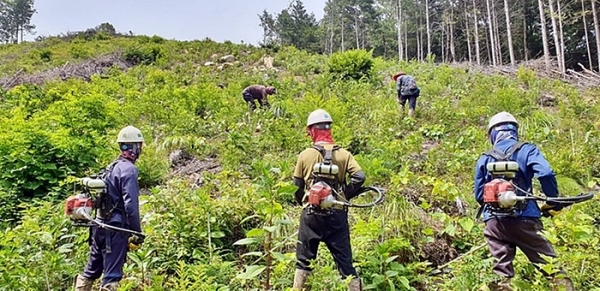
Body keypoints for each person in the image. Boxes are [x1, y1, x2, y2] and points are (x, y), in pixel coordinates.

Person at [473, 112, 574, 291]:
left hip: (495, 224)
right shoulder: (527, 150)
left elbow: (480, 196)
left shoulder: (484, 158)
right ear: (514, 131)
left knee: (501, 275)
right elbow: (546, 173)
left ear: (492, 134)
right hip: (526, 219)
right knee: (551, 268)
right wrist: (553, 202)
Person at [292, 109, 366, 291]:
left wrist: (304, 200)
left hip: (311, 215)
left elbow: (296, 186)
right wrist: (344, 195)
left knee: (304, 262)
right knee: (345, 263)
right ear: (329, 130)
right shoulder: (344, 155)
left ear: (312, 131)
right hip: (337, 215)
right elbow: (360, 177)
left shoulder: (305, 155)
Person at [74, 125, 145, 291]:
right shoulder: (129, 170)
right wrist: (137, 232)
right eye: (139, 145)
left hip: (98, 226)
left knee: (91, 271)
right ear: (135, 146)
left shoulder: (112, 166)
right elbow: (131, 206)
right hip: (114, 229)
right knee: (111, 277)